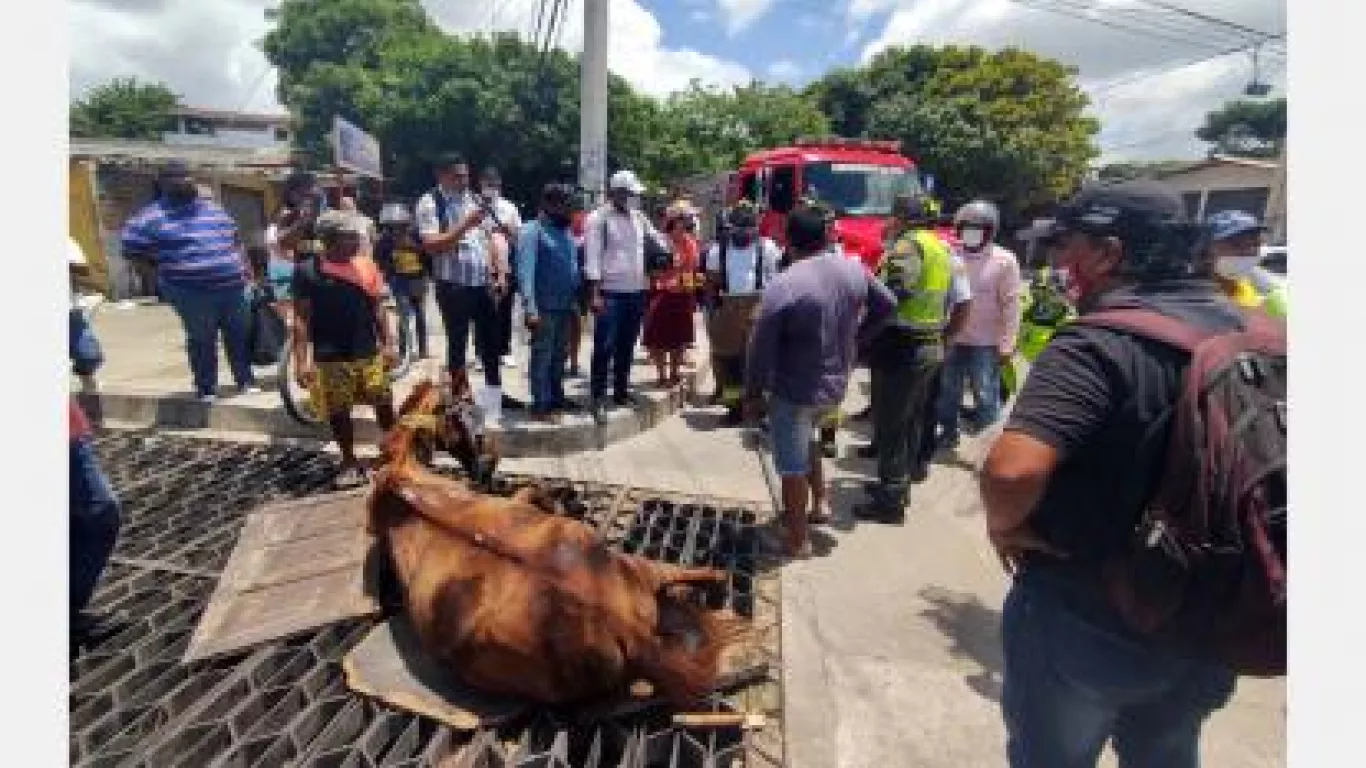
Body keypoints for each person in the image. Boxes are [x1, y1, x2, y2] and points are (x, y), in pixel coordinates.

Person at [979, 180, 1245, 767]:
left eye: (1066, 245)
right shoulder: (1254, 332)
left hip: (1093, 614)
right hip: (1217, 617)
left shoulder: (1100, 342)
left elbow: (1011, 473)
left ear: (1110, 254)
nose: (1056, 262)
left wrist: (1005, 528)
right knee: (1167, 751)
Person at [743, 204, 896, 556]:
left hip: (795, 390)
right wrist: (858, 340)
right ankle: (820, 504)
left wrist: (752, 395)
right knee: (807, 439)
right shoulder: (854, 269)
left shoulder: (785, 285)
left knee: (790, 464)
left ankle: (797, 540)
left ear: (788, 240)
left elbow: (759, 347)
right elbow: (887, 304)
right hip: (835, 385)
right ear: (825, 235)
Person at [855, 193, 972, 523]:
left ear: (901, 217)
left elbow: (892, 295)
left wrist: (863, 332)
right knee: (911, 422)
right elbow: (960, 300)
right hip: (928, 343)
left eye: (892, 216)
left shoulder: (907, 246)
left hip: (901, 345)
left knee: (892, 424)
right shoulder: (942, 248)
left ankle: (890, 502)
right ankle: (897, 486)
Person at [120, 160, 259, 402]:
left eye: (187, 177)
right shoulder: (149, 217)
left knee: (239, 334)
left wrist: (248, 273)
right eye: (177, 178)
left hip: (234, 287)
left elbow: (236, 242)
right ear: (162, 183)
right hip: (190, 292)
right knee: (202, 339)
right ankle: (206, 388)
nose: (185, 182)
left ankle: (245, 380)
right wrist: (160, 279)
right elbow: (132, 251)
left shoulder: (213, 209)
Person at [291, 211, 399, 488]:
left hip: (368, 352)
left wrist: (388, 343)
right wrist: (301, 362)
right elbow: (301, 319)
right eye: (348, 237)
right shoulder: (307, 272)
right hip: (330, 356)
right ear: (328, 240)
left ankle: (395, 453)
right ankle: (349, 461)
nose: (356, 242)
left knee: (384, 402)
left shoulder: (366, 266)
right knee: (339, 411)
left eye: (356, 236)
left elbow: (377, 308)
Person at [415, 153, 511, 400]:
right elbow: (431, 244)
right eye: (458, 176)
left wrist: (497, 273)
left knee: (491, 344)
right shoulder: (430, 202)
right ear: (441, 175)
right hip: (453, 286)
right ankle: (460, 402)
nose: (464, 181)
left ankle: (494, 399)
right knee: (457, 345)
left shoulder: (471, 198)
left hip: (481, 285)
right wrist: (465, 225)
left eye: (467, 175)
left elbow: (485, 238)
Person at [933, 200, 1022, 453]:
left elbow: (1011, 306)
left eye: (977, 228)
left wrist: (1007, 344)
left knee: (986, 396)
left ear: (990, 231)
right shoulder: (950, 254)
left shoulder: (1005, 261)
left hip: (986, 344)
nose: (970, 234)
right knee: (948, 392)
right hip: (953, 338)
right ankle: (948, 434)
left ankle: (988, 444)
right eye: (965, 228)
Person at [582, 169, 671, 422]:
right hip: (610, 293)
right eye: (630, 193)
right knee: (604, 347)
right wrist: (595, 294)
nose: (634, 198)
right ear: (616, 193)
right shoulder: (598, 219)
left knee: (626, 346)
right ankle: (598, 397)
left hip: (636, 292)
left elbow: (657, 242)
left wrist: (664, 251)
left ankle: (620, 391)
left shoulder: (639, 218)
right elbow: (592, 258)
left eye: (635, 194)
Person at [704, 200, 782, 426]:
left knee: (759, 364)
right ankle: (734, 409)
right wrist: (712, 316)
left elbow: (777, 282)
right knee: (728, 364)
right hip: (727, 309)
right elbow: (710, 285)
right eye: (738, 229)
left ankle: (760, 411)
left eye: (748, 229)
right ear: (730, 227)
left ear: (756, 227)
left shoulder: (767, 248)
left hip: (758, 308)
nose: (743, 234)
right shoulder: (717, 251)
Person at [517, 183, 582, 421]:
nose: (570, 212)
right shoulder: (531, 231)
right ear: (550, 205)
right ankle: (541, 405)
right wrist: (530, 308)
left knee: (559, 355)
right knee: (542, 356)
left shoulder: (564, 232)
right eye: (566, 206)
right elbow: (525, 272)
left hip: (565, 305)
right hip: (543, 307)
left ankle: (557, 397)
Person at [643, 200, 702, 387]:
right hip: (661, 293)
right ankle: (661, 375)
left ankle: (674, 373)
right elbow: (651, 270)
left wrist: (691, 293)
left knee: (679, 339)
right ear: (675, 221)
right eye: (685, 218)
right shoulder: (659, 241)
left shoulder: (691, 243)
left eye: (689, 219)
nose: (689, 222)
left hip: (683, 294)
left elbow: (692, 270)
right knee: (659, 340)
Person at [264, 170, 326, 338]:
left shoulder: (325, 218)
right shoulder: (288, 216)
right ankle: (301, 365)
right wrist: (302, 222)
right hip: (304, 274)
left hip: (326, 274)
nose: (311, 196)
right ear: (292, 194)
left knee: (321, 324)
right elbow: (284, 244)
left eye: (314, 191)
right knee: (301, 322)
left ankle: (315, 363)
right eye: (305, 192)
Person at [478, 167, 524, 372]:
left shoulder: (509, 207)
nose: (491, 188)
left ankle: (504, 351)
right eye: (488, 184)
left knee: (505, 310)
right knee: (482, 311)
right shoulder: (472, 205)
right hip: (480, 267)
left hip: (505, 266)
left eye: (495, 185)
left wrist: (507, 230)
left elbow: (518, 236)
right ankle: (482, 353)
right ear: (480, 184)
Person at [1205, 209, 1288, 319]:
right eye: (1236, 244)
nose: (1249, 252)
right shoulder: (1188, 290)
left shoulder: (1267, 288)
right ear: (1208, 249)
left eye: (1255, 244)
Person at [374, 202, 431, 360]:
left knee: (419, 312)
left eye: (400, 225)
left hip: (417, 277)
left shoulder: (416, 234)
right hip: (398, 279)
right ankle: (404, 349)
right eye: (393, 226)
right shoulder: (385, 239)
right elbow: (378, 259)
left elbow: (427, 252)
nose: (396, 229)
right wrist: (386, 271)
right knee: (403, 313)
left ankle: (422, 348)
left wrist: (410, 246)